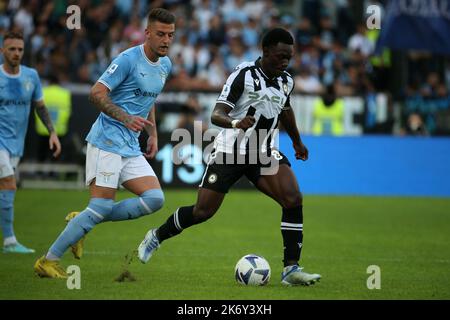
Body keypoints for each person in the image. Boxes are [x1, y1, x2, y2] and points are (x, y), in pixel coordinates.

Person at [137, 28, 322, 286]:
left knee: (292, 198)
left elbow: (286, 109)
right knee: (203, 212)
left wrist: (297, 141)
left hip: (264, 152)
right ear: (265, 51)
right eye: (280, 56)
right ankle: (156, 236)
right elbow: (217, 113)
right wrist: (236, 123)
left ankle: (291, 269)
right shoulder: (243, 75)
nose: (285, 62)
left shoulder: (286, 81)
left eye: (288, 57)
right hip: (230, 152)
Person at [34, 8, 176, 278]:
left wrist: (154, 134)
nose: (166, 40)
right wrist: (125, 117)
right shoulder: (127, 60)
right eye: (160, 34)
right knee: (100, 207)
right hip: (107, 141)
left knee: (155, 199)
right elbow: (95, 93)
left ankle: (83, 221)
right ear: (147, 33)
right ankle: (47, 261)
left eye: (170, 35)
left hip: (130, 145)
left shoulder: (165, 64)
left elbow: (150, 99)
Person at [0, 31, 62, 253]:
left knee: (4, 189)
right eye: (12, 49)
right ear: (2, 51)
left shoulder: (31, 76)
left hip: (16, 144)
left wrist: (52, 133)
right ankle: (9, 241)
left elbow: (40, 107)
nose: (16, 53)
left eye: (20, 49)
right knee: (9, 184)